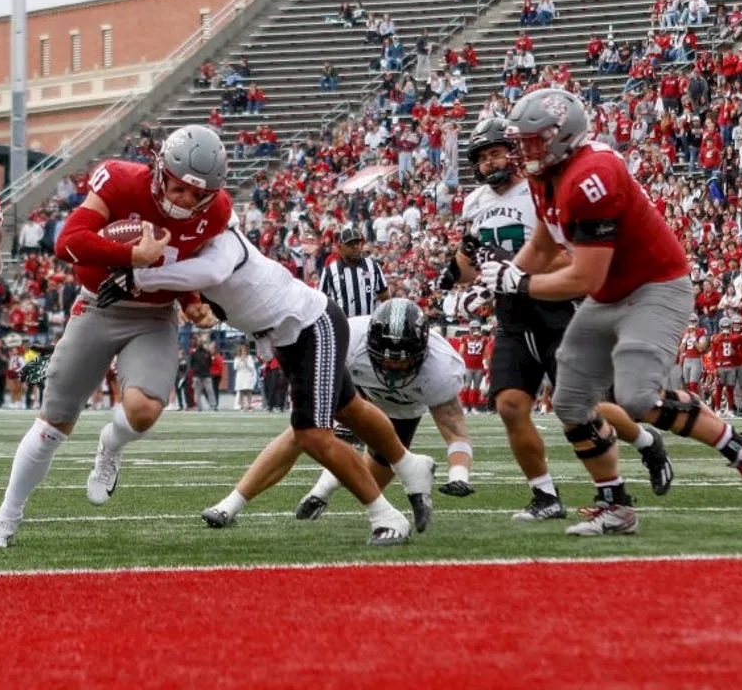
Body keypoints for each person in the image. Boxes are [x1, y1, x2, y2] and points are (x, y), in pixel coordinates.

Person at [480, 88, 742, 537]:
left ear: (564, 136)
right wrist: (500, 282)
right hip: (610, 292)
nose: (527, 150)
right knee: (570, 402)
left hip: (654, 286)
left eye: (535, 140)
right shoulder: (548, 176)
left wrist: (516, 282)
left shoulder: (592, 176)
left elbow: (583, 277)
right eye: (524, 141)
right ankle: (614, 504)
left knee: (636, 397)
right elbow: (543, 242)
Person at [0, 125, 233, 549]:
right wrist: (132, 256)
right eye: (179, 188)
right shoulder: (119, 180)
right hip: (98, 305)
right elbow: (68, 242)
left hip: (154, 315)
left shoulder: (218, 211)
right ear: (159, 171)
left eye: (196, 194)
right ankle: (6, 516)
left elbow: (187, 261)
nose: (186, 200)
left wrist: (191, 301)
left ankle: (110, 446)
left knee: (145, 409)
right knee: (53, 422)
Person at [99, 219, 432, 543]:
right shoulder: (188, 246)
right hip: (288, 335)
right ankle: (409, 463)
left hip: (312, 325)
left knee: (312, 434)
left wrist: (140, 274)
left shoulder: (222, 243)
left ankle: (385, 516)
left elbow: (209, 272)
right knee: (349, 409)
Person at [446, 116, 671, 520]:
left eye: (497, 152)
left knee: (585, 406)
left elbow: (565, 254)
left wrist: (518, 275)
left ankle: (643, 442)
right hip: (512, 317)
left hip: (554, 306)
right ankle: (545, 496)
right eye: (482, 158)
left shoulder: (538, 192)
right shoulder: (475, 203)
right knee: (510, 405)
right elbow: (469, 265)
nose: (489, 163)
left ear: (515, 154)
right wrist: (458, 273)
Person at [293, 299, 469, 519]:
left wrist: (459, 475)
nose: (393, 366)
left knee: (371, 482)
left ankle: (323, 492)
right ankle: (319, 493)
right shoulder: (351, 338)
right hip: (362, 393)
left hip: (404, 411)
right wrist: (340, 413)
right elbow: (321, 379)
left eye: (403, 359)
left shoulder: (441, 369)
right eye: (385, 357)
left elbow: (455, 433)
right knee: (331, 439)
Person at [319, 225, 388, 318]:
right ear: (340, 248)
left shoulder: (373, 266)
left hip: (367, 324)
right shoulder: (330, 270)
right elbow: (322, 302)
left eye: (357, 243)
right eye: (350, 244)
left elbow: (384, 296)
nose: (355, 247)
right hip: (344, 326)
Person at [233, 344, 257, 411]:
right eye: (242, 351)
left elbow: (252, 368)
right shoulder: (237, 358)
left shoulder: (249, 358)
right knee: (241, 391)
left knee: (248, 390)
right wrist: (241, 360)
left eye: (245, 351)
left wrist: (246, 361)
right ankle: (241, 405)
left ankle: (249, 405)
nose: (244, 352)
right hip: (240, 376)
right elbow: (235, 367)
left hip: (248, 376)